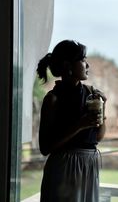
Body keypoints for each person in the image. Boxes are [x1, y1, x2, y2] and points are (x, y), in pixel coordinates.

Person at [37, 40, 107, 202]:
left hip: (89, 165)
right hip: (64, 167)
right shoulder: (53, 99)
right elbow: (45, 147)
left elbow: (97, 138)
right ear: (68, 65)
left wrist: (104, 108)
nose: (87, 65)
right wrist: (80, 125)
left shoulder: (91, 94)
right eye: (83, 60)